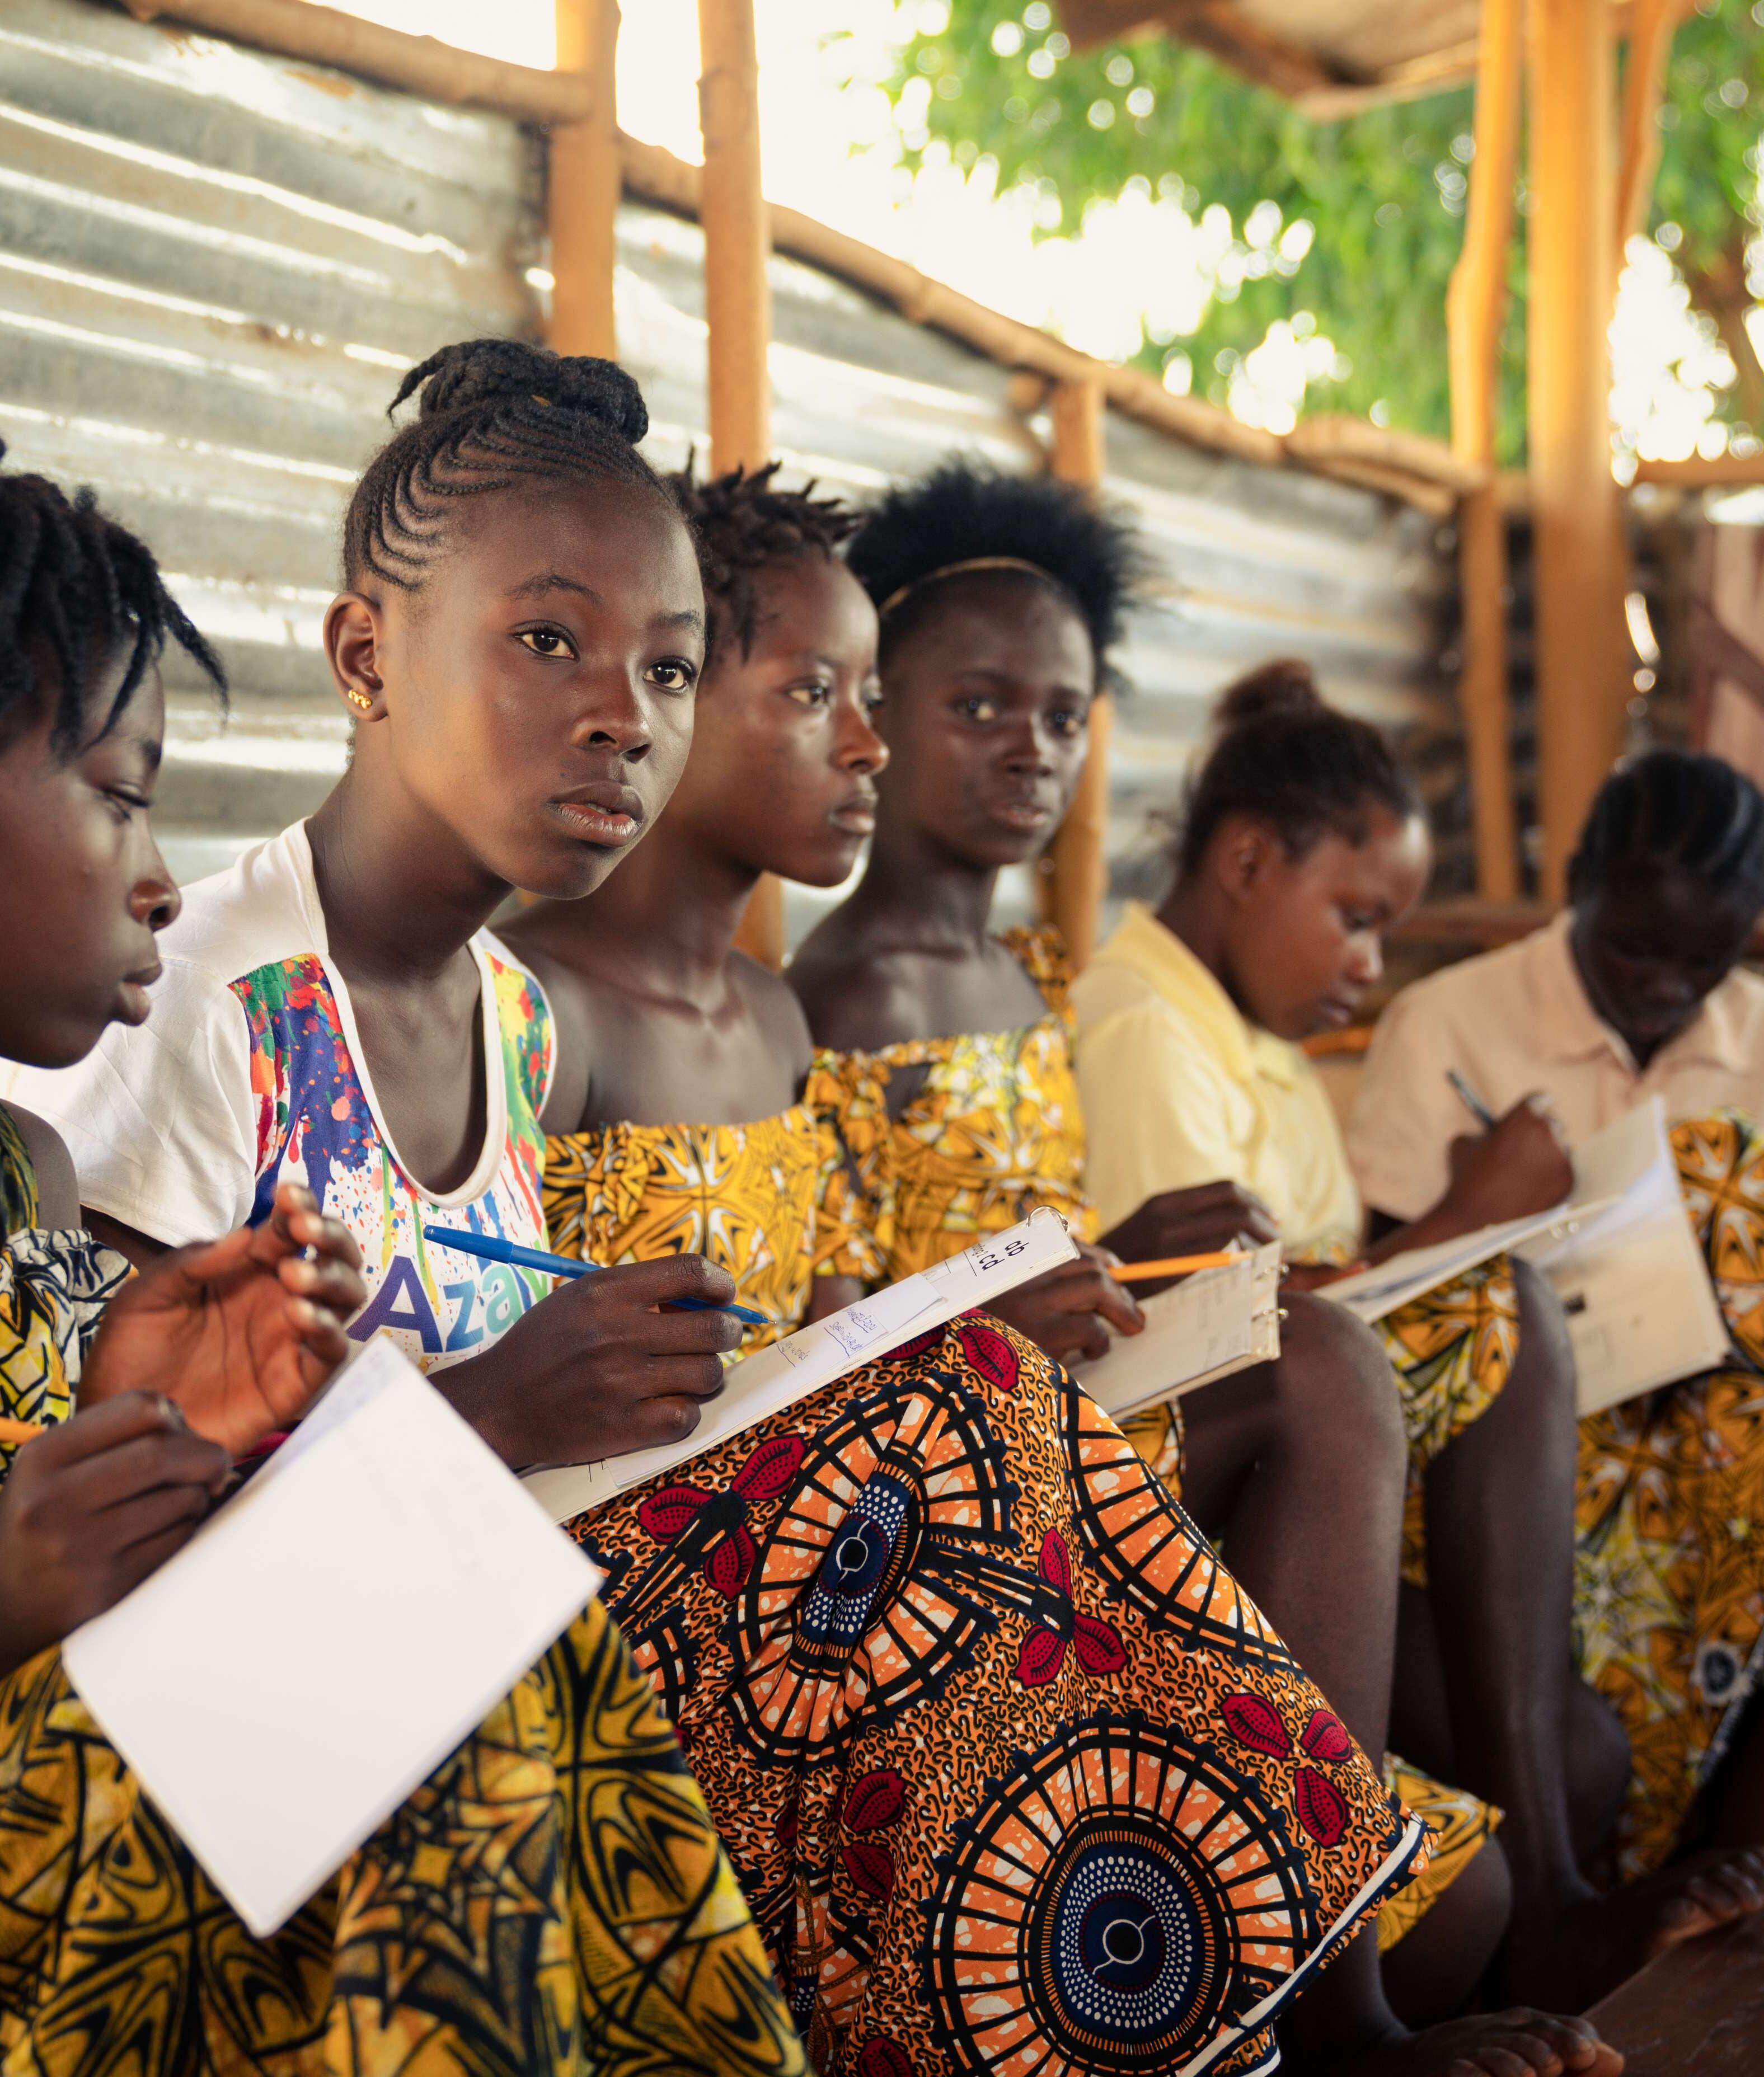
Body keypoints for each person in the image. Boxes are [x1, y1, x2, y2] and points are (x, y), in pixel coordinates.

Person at [0, 432, 802, 2077]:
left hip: (58, 1909)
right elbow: (10, 1667)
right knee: (421, 1646)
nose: (156, 882)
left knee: (468, 1617)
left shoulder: (24, 1183)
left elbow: (105, 1638)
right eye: (118, 796)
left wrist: (186, 1445)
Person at [503, 464, 1594, 2077]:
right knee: (1309, 1370)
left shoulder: (772, 1018)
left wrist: (984, 1316)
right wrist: (947, 1338)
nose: (866, 743)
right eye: (819, 695)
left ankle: (1337, 1966)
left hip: (892, 1490)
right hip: (745, 1597)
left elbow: (803, 1307)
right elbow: (587, 1390)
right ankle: (1335, 2005)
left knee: (1393, 1399)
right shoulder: (537, 1008)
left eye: (869, 699)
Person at [1072, 662, 1764, 2008]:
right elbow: (1223, 1343)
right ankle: (1526, 1915)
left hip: (1358, 1455)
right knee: (1495, 1298)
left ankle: (1572, 1893)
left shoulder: (1249, 1041)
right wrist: (1461, 1216)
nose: (1370, 966)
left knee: (1586, 1744)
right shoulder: (1149, 1031)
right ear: (1245, 860)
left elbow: (1299, 1282)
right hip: (1234, 1495)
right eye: (1353, 918)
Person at [0, 340, 756, 1475]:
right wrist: (494, 1408)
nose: (627, 719)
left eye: (671, 670)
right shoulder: (186, 1003)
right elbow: (80, 1525)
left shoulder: (516, 1013)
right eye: (549, 640)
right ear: (366, 655)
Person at [1347, 747, 1764, 1877]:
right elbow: (1388, 1302)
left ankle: (1712, 1904)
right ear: (1573, 883)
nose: (1669, 985)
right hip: (1502, 1453)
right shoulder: (1448, 1020)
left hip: (1713, 1452)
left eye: (1707, 955)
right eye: (1632, 944)